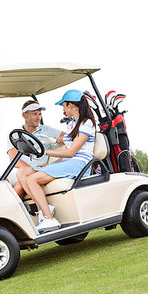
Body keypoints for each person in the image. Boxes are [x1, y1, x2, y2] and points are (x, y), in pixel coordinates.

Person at [16, 90, 96, 233]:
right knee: (27, 176)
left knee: (32, 180)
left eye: (64, 106)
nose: (63, 109)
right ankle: (46, 212)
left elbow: (71, 153)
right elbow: (66, 151)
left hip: (81, 164)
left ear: (71, 106)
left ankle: (48, 218)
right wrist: (50, 164)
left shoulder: (86, 123)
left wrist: (45, 151)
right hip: (70, 163)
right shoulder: (72, 124)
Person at [5, 100, 63, 201]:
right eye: (34, 114)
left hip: (38, 169)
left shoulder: (46, 130)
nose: (38, 117)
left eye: (40, 114)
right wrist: (28, 170)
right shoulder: (15, 134)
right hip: (21, 169)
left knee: (19, 186)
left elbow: (69, 138)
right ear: (24, 115)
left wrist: (54, 140)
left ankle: (7, 213)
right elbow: (14, 159)